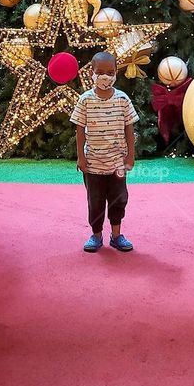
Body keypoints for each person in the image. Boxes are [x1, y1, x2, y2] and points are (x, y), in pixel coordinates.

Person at [71, 51, 137, 252]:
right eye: (100, 72)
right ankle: (96, 235)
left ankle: (116, 235)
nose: (105, 76)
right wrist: (81, 157)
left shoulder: (123, 99)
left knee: (119, 199)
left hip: (118, 164)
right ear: (92, 73)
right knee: (96, 202)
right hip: (93, 164)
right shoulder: (85, 100)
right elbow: (80, 129)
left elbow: (129, 128)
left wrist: (130, 156)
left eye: (110, 72)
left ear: (116, 72)